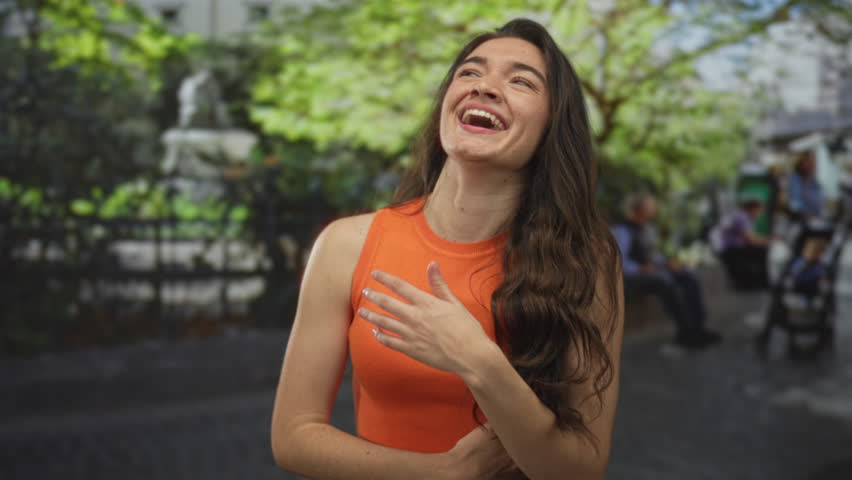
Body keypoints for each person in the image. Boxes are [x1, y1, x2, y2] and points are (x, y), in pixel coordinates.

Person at [270, 19, 624, 480]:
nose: (486, 87)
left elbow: (581, 469)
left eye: (521, 81)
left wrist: (478, 360)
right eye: (471, 72)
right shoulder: (345, 245)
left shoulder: (586, 261)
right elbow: (294, 436)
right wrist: (441, 472)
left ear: (552, 127)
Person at [612, 193, 721, 349]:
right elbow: (618, 261)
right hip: (633, 277)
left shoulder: (648, 228)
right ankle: (685, 331)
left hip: (654, 270)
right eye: (650, 206)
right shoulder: (621, 230)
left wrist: (668, 262)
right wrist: (639, 268)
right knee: (664, 281)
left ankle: (698, 327)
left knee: (689, 276)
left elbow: (653, 254)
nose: (654, 209)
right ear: (640, 208)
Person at [711, 195, 773, 290]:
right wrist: (769, 241)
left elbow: (751, 237)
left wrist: (766, 240)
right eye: (760, 210)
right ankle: (762, 282)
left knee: (760, 249)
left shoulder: (741, 216)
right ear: (753, 208)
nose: (761, 213)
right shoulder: (742, 217)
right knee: (762, 250)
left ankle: (753, 281)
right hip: (730, 250)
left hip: (729, 249)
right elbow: (750, 240)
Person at [787, 151, 823, 220]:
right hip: (800, 217)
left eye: (813, 163)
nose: (811, 166)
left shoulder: (813, 181)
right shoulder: (795, 178)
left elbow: (819, 201)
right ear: (801, 164)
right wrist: (804, 212)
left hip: (814, 217)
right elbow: (794, 202)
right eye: (808, 162)